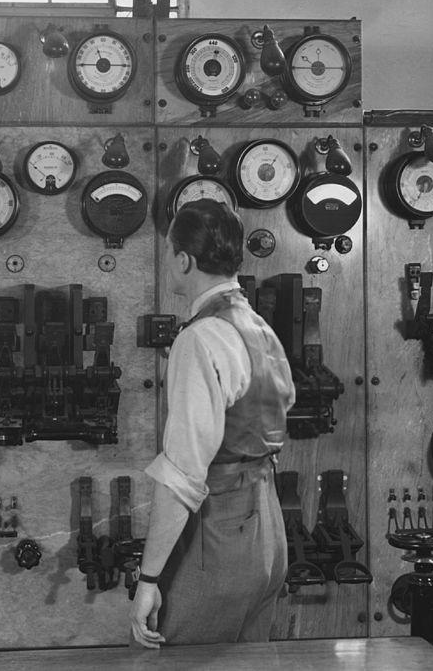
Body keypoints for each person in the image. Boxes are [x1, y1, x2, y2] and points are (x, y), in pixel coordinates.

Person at [129, 198, 295, 649]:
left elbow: (183, 475)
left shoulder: (199, 339)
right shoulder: (258, 327)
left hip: (218, 540)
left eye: (170, 254)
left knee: (173, 659)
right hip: (268, 532)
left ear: (183, 260)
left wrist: (148, 580)